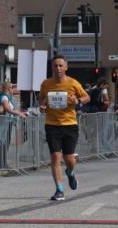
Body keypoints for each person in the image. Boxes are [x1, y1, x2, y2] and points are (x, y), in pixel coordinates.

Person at [38, 55, 90, 201]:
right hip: (52, 125)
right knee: (55, 156)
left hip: (70, 125)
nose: (58, 68)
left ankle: (70, 172)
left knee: (69, 159)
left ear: (66, 67)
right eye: (55, 66)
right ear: (52, 67)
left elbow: (87, 97)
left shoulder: (73, 83)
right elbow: (41, 99)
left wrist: (78, 100)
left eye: (61, 66)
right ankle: (59, 190)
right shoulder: (46, 84)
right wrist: (42, 106)